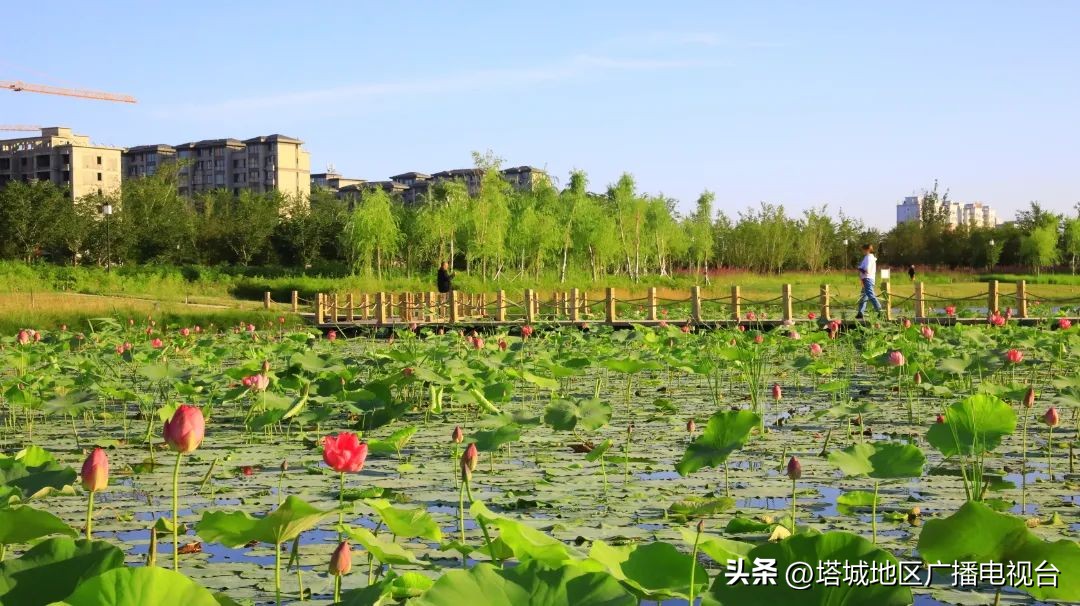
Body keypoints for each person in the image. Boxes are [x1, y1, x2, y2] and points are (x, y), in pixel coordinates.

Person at [855, 244, 882, 320]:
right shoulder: (868, 257)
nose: (862, 251)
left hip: (867, 279)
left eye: (863, 250)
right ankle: (860, 313)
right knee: (863, 295)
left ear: (867, 250)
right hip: (867, 279)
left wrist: (859, 268)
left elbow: (867, 270)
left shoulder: (869, 258)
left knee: (870, 294)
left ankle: (880, 310)